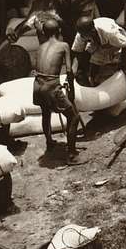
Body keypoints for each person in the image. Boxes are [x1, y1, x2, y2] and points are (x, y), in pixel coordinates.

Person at [33, 18, 81, 160]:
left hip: (37, 84)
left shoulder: (40, 47)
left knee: (45, 113)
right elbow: (69, 70)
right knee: (74, 117)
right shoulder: (64, 45)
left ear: (44, 32)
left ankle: (49, 142)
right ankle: (71, 154)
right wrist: (70, 88)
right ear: (59, 31)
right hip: (51, 85)